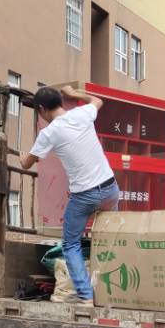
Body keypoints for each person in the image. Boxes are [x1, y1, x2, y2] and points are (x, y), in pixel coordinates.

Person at [20, 85, 119, 306]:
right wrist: (75, 94)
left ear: (42, 109)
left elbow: (27, 164)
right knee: (111, 238)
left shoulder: (49, 133)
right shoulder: (82, 113)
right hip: (110, 188)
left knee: (71, 244)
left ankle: (86, 295)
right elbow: (98, 101)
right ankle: (114, 290)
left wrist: (23, 156)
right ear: (61, 101)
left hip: (84, 195)